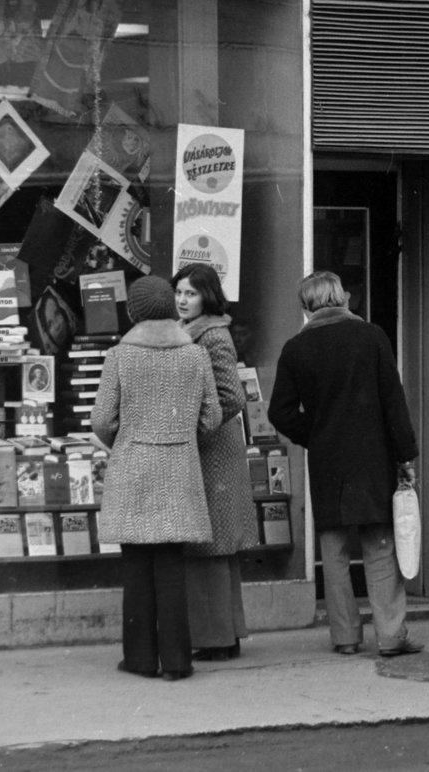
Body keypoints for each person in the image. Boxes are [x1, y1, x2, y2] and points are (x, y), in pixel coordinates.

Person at [269, 271, 423, 658]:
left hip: (327, 461)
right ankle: (391, 636)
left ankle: (345, 637)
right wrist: (405, 455)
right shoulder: (371, 337)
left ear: (306, 307)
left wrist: (314, 434)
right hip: (373, 457)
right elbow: (393, 402)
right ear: (343, 298)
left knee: (334, 550)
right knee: (380, 546)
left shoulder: (295, 348)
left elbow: (280, 412)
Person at [92, 276, 221, 681]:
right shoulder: (196, 355)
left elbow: (101, 419)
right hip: (179, 466)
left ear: (134, 311)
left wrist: (125, 438)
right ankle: (177, 661)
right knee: (171, 567)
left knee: (136, 567)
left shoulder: (119, 356)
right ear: (169, 307)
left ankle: (141, 658)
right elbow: (213, 416)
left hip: (133, 465)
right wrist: (183, 437)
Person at [172, 262, 259, 663]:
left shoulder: (212, 336)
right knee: (213, 546)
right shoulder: (195, 332)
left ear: (207, 296)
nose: (182, 300)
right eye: (178, 292)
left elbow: (233, 397)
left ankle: (216, 638)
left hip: (213, 450)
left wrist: (197, 427)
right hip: (209, 448)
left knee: (210, 546)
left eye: (190, 293)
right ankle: (225, 634)